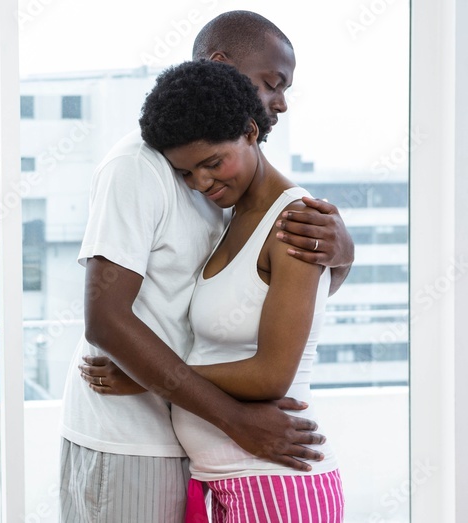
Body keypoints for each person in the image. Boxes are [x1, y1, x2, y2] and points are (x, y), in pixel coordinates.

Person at [60, 11, 354, 523]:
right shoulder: (144, 165)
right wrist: (235, 419)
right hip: (133, 440)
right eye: (271, 83)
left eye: (210, 165)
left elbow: (272, 304)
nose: (280, 101)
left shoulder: (241, 194)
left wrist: (343, 254)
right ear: (223, 65)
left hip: (210, 457)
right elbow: (104, 318)